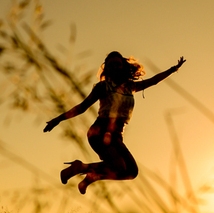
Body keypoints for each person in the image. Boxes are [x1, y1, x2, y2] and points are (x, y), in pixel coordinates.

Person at [46, 52, 185, 194]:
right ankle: (82, 169)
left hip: (117, 135)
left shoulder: (130, 87)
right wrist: (57, 120)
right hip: (99, 132)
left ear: (123, 66)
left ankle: (91, 176)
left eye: (117, 64)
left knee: (131, 171)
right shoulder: (103, 87)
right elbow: (82, 107)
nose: (115, 67)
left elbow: (153, 81)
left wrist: (173, 69)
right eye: (111, 65)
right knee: (118, 166)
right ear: (107, 69)